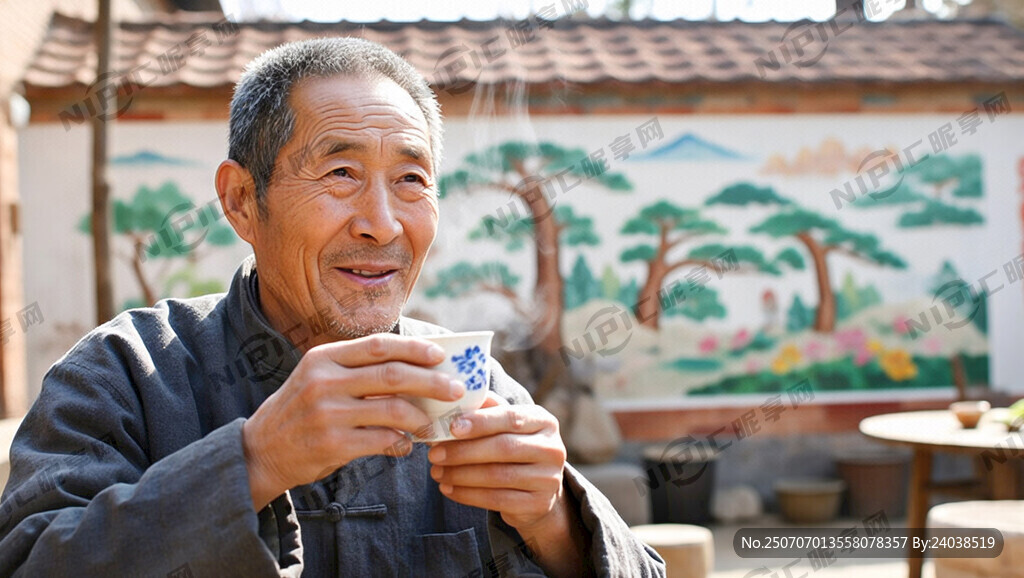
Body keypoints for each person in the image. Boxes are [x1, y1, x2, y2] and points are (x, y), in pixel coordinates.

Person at [0, 37, 665, 576]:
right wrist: (254, 462)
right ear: (241, 201)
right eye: (341, 173)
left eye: (410, 179)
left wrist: (555, 524)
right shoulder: (126, 374)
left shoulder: (468, 383)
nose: (382, 224)